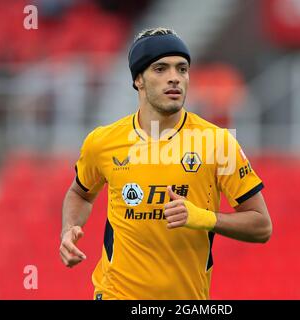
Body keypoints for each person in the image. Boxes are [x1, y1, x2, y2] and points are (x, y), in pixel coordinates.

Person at [59, 27, 272, 300]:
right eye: (161, 69)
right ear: (138, 79)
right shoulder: (102, 142)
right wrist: (68, 230)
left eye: (182, 69)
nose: (175, 78)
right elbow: (80, 193)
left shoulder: (218, 143)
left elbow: (262, 226)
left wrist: (204, 218)